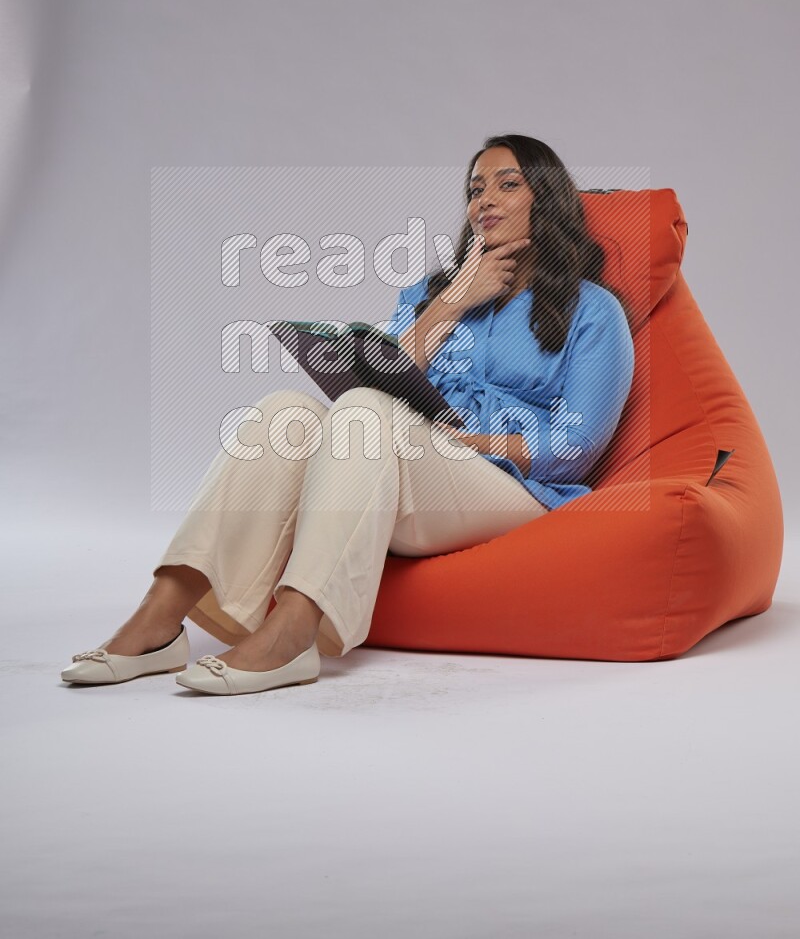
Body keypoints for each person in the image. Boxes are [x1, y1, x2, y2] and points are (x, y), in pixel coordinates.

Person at [61, 135, 635, 696]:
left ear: (549, 199)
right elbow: (378, 381)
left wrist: (469, 442)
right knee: (284, 411)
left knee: (365, 414)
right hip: (413, 469)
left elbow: (575, 447)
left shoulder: (592, 310)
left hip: (514, 488)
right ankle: (162, 615)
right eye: (475, 188)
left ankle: (292, 632)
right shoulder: (429, 296)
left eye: (508, 185)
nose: (484, 200)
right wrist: (452, 303)